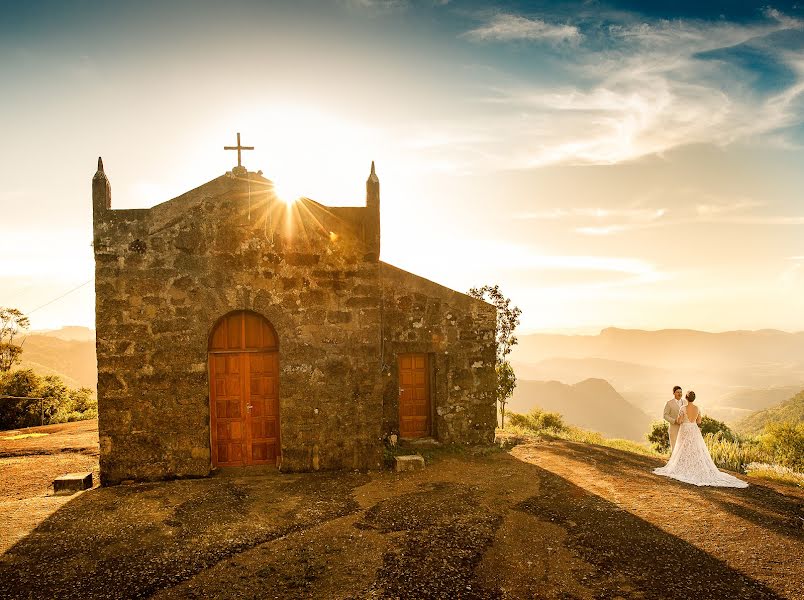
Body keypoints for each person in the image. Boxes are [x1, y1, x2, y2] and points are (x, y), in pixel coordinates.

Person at [653, 391, 748, 488]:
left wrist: (678, 419)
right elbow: (699, 421)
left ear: (686, 398)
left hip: (685, 429)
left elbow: (680, 421)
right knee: (695, 448)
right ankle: (693, 467)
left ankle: (685, 467)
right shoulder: (697, 408)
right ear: (694, 398)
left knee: (683, 448)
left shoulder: (683, 408)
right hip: (693, 429)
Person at [662, 385, 684, 452]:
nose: (679, 394)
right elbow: (665, 415)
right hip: (673, 428)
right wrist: (674, 421)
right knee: (674, 447)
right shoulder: (669, 403)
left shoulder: (685, 402)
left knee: (683, 447)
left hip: (683, 428)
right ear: (673, 393)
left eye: (681, 392)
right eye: (678, 392)